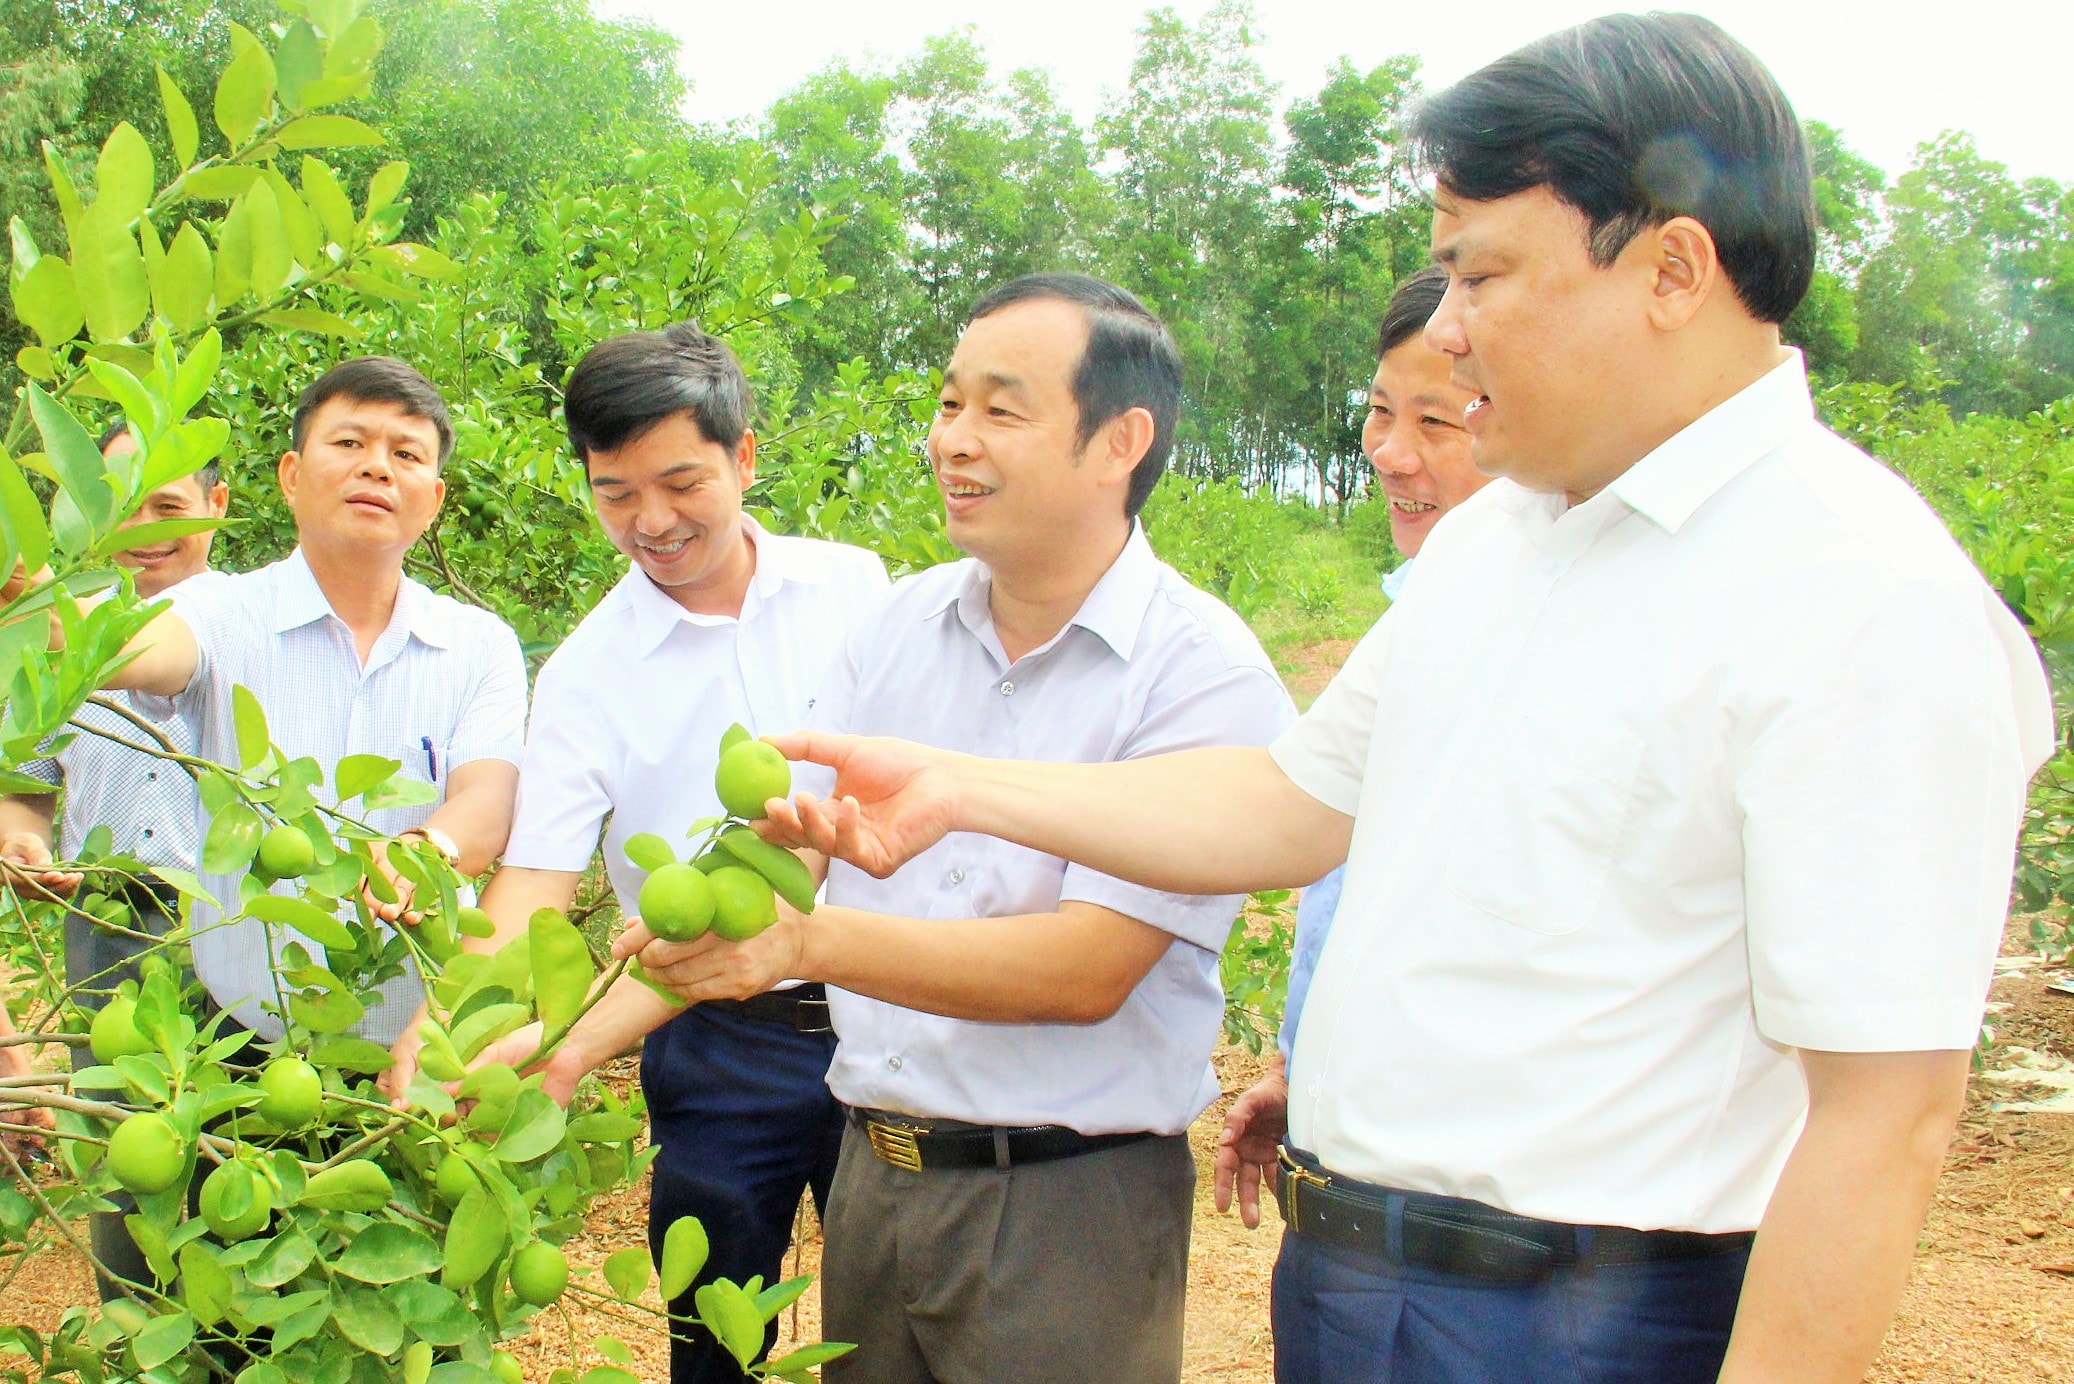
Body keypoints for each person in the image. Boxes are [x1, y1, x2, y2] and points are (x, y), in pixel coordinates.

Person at [729, 19, 2057, 1384]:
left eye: (1480, 274)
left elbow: (1883, 1117)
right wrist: (963, 789)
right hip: (1357, 1284)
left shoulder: (1859, 597)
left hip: (1591, 1318)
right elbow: (1290, 802)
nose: (1449, 329)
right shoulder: (1503, 541)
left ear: (1670, 267)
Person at [620, 273, 1295, 1384]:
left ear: (1119, 439)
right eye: (946, 404)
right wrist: (563, 1045)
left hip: (1064, 1206)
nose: (952, 441)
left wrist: (808, 947)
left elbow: (1086, 968)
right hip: (876, 1178)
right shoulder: (898, 625)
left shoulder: (1198, 674)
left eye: (999, 408)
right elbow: (792, 848)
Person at [384, 322, 890, 1382]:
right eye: (615, 493)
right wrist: (449, 1021)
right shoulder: (586, 671)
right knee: (714, 1337)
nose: (651, 521)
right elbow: (532, 882)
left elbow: (865, 812)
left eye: (680, 482)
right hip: (714, 1035)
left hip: (889, 1006)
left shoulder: (857, 590)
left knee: (893, 1324)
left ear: (744, 457)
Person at [95, 356, 526, 1046]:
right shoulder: (218, 611)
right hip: (245, 1050)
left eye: (405, 453)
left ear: (435, 497)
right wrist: (43, 614)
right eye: (350, 443)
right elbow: (145, 650)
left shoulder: (479, 644)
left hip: (421, 1049)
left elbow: (489, 796)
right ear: (292, 476)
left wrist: (425, 849)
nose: (377, 468)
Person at [1218, 266, 1490, 1226]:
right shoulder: (1417, 610)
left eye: (1438, 424)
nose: (1390, 454)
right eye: (1381, 414)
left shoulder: (1517, 629)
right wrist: (1303, 1068)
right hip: (1351, 1177)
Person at [0, 424, 228, 1265]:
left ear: (218, 506)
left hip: (233, 924)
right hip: (104, 923)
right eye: (122, 509)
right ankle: (143, 1327)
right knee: (129, 1155)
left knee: (245, 1140)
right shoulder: (40, 643)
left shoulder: (255, 628)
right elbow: (23, 786)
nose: (145, 530)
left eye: (168, 506)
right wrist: (24, 844)